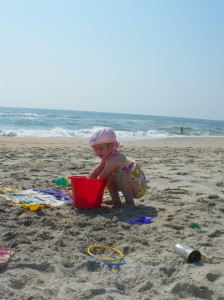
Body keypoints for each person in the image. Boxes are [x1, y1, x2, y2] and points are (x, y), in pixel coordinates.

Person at [88, 127, 147, 208]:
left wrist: (92, 192)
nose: (98, 152)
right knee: (109, 177)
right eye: (95, 149)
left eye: (101, 148)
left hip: (138, 189)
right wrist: (86, 184)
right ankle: (116, 201)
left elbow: (101, 177)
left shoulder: (115, 159)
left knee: (119, 176)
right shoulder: (106, 158)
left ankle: (130, 203)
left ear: (112, 145)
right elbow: (95, 172)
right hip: (128, 183)